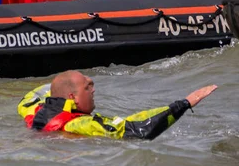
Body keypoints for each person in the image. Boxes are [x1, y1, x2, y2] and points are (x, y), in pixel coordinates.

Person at [17, 70, 217, 139]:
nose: (93, 90)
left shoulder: (31, 109)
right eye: (88, 87)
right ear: (73, 98)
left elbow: (36, 93)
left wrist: (59, 86)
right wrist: (184, 103)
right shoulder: (81, 125)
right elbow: (138, 130)